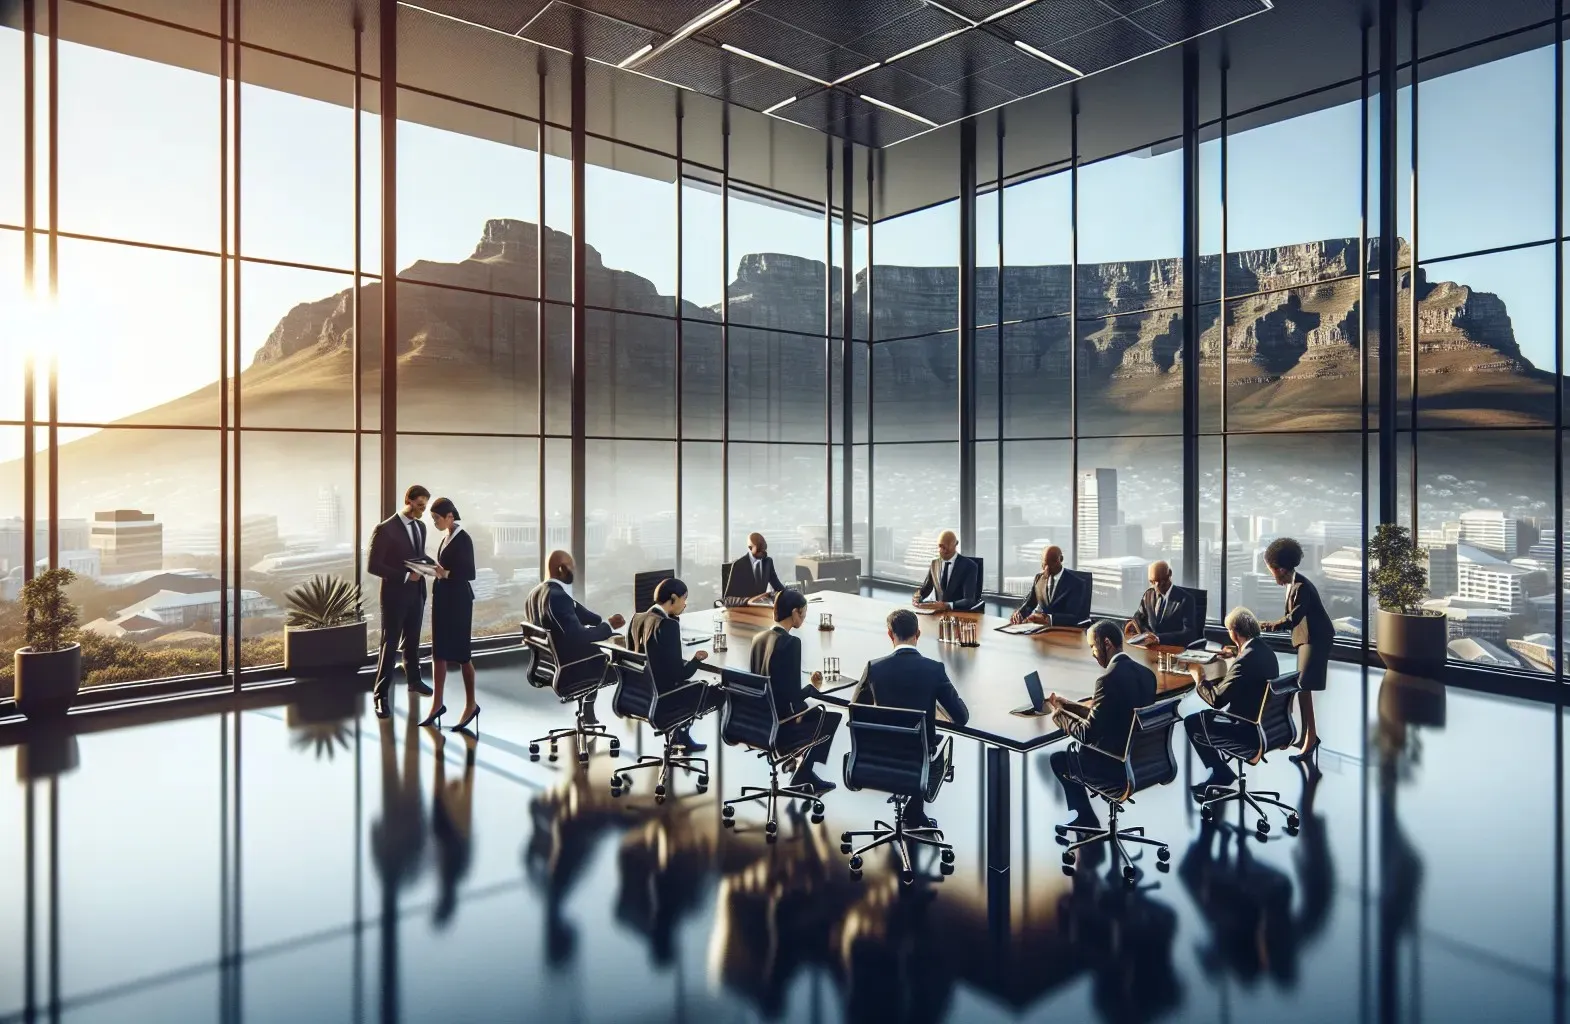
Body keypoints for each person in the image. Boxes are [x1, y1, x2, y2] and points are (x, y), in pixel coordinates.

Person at [851, 608, 970, 830]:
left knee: (908, 738)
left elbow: (857, 709)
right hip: (918, 760)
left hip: (880, 758)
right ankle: (914, 812)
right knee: (927, 740)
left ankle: (913, 812)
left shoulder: (873, 668)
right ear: (918, 633)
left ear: (890, 634)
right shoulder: (934, 670)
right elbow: (961, 717)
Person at [1046, 620, 1157, 830]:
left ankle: (1086, 818)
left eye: (1093, 647)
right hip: (1143, 762)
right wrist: (1069, 705)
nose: (1093, 654)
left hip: (1115, 768)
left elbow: (1088, 734)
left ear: (1106, 643)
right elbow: (1114, 715)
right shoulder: (1147, 675)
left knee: (1059, 759)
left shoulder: (1107, 680)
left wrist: (1059, 716)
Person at [750, 589, 843, 796]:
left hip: (757, 722)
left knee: (813, 713)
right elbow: (792, 697)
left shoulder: (758, 638)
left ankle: (797, 763)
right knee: (828, 717)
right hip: (781, 725)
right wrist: (813, 689)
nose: (804, 617)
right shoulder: (790, 643)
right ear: (794, 613)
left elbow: (762, 686)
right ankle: (803, 770)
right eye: (803, 613)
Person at [1183, 607, 1279, 798]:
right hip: (1269, 729)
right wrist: (1235, 655)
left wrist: (1199, 677)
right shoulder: (1265, 651)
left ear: (1234, 632)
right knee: (1205, 718)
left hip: (1247, 733)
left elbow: (1217, 700)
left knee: (1193, 722)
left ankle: (1221, 773)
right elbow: (1249, 674)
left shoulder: (1245, 661)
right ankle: (1222, 772)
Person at [523, 550, 626, 726]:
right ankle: (627, 710)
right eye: (572, 568)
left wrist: (599, 621)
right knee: (616, 661)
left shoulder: (535, 594)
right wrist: (608, 627)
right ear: (562, 569)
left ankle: (587, 713)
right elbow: (579, 638)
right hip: (571, 670)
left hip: (550, 666)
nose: (574, 572)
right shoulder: (558, 597)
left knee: (592, 651)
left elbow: (589, 618)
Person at [626, 577, 722, 753]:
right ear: (673, 598)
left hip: (640, 695)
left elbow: (634, 659)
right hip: (665, 700)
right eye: (684, 598)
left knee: (675, 684)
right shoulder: (667, 625)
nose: (685, 604)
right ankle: (682, 734)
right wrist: (695, 660)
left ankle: (681, 735)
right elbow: (681, 674)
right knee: (720, 692)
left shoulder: (637, 618)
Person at [1261, 537, 1333, 759]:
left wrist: (1266, 625)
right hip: (1307, 638)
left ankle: (1310, 739)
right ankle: (1307, 735)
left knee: (1303, 687)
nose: (1271, 574)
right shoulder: (1294, 582)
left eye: (1271, 570)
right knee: (1303, 688)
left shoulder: (1301, 586)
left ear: (1280, 568)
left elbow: (1293, 619)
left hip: (1315, 640)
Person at [368, 484, 434, 718]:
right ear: (408, 500)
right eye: (419, 505)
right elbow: (373, 566)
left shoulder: (421, 526)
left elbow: (418, 555)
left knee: (413, 640)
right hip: (394, 596)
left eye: (425, 506)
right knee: (390, 644)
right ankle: (380, 696)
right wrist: (406, 575)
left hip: (417, 594)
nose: (422, 511)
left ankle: (414, 681)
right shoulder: (385, 529)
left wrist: (434, 567)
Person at [422, 497, 480, 731]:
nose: (434, 523)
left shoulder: (463, 539)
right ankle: (437, 704)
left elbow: (469, 572)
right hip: (444, 599)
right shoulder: (446, 537)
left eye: (437, 518)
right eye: (433, 519)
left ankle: (471, 704)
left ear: (449, 516)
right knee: (439, 652)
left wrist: (444, 573)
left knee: (462, 654)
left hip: (458, 602)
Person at [430, 725, 477, 928]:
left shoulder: (451, 877)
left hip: (450, 834)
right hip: (454, 833)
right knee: (442, 801)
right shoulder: (454, 876)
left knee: (440, 802)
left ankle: (452, 750)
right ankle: (454, 750)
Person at [1125, 560, 1197, 647]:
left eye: (1161, 580)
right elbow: (1138, 618)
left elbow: (1189, 634)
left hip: (1172, 650)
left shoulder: (1185, 599)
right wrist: (1145, 634)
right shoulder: (1149, 595)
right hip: (1150, 648)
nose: (1156, 585)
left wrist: (1158, 638)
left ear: (1169, 574)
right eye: (1152, 582)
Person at [914, 529, 982, 612]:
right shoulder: (935, 563)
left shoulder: (969, 566)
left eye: (947, 547)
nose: (943, 550)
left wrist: (947, 605)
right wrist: (918, 597)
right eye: (941, 547)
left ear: (956, 544)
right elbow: (926, 588)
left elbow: (969, 600)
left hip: (959, 614)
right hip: (937, 614)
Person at [723, 532, 787, 606]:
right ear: (750, 548)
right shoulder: (739, 565)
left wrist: (791, 595)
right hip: (745, 610)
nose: (764, 553)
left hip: (763, 608)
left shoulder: (767, 562)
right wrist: (748, 601)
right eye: (760, 550)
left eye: (764, 549)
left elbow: (778, 587)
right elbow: (727, 599)